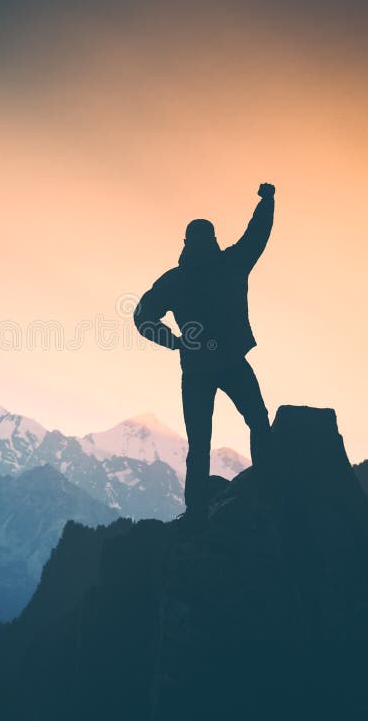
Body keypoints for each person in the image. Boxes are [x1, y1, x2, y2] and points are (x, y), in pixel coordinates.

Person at [134, 183, 275, 524]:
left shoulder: (176, 280)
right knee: (257, 420)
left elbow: (142, 316)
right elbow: (257, 235)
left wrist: (175, 342)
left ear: (186, 244)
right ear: (211, 240)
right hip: (229, 362)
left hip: (197, 369)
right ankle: (271, 486)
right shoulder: (230, 264)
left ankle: (197, 512)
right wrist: (267, 201)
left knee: (200, 443)